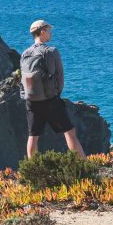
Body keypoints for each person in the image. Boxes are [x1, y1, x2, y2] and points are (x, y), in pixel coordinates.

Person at [20, 20, 86, 159]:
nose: (50, 33)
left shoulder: (25, 54)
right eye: (49, 30)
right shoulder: (51, 51)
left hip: (31, 100)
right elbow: (60, 77)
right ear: (42, 32)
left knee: (33, 136)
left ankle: (33, 170)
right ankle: (84, 165)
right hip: (50, 100)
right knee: (69, 132)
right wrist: (56, 93)